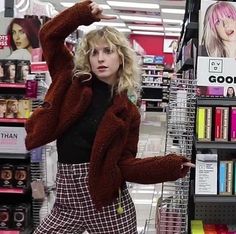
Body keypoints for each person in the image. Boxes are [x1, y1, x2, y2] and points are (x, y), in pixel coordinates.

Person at [25, 1, 194, 233]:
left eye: (108, 51)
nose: (100, 58)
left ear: (121, 57)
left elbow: (125, 164)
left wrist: (169, 166)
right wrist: (82, 14)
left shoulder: (128, 112)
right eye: (94, 52)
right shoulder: (71, 81)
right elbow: (48, 37)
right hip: (67, 200)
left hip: (107, 202)